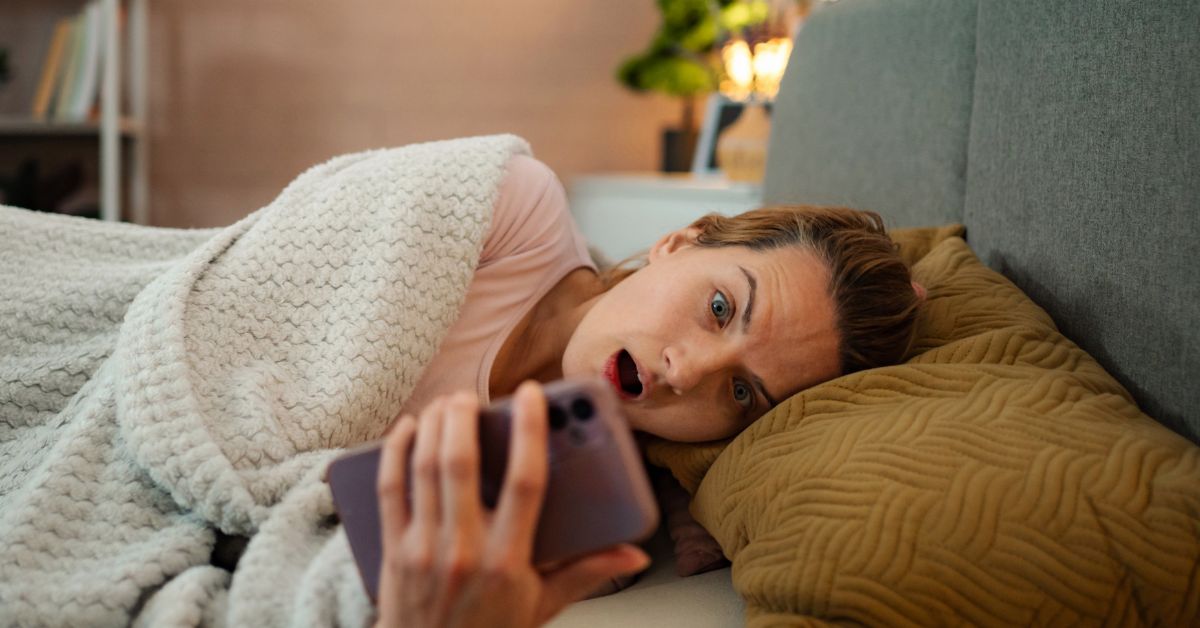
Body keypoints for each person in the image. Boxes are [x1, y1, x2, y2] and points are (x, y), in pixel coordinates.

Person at [372, 155, 924, 627]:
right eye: (719, 308)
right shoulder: (508, 209)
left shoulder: (577, 528)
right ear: (681, 242)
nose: (686, 374)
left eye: (740, 393)